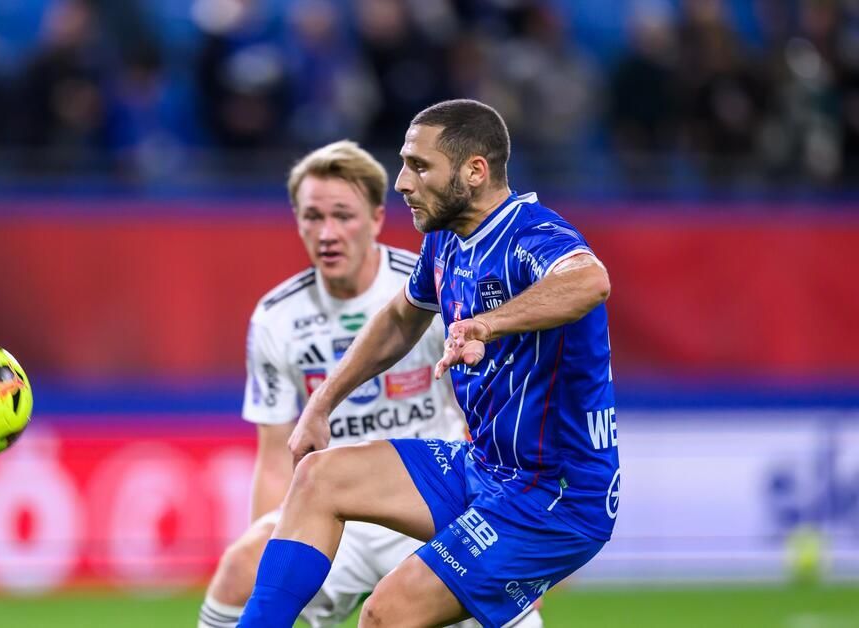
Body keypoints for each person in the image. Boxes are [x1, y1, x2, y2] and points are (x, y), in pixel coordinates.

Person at [238, 99, 619, 628]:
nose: (401, 182)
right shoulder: (446, 239)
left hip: (555, 496)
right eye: (403, 163)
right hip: (485, 467)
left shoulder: (531, 234)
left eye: (419, 165)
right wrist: (322, 402)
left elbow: (589, 281)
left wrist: (488, 323)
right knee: (317, 477)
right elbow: (400, 318)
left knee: (385, 614)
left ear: (474, 171)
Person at [198, 140, 544, 628]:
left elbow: (492, 416)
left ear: (378, 218)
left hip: (427, 501)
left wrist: (514, 532)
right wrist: (272, 535)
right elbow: (276, 452)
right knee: (240, 569)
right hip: (337, 512)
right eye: (312, 217)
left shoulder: (434, 286)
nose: (327, 233)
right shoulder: (277, 317)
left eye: (343, 215)